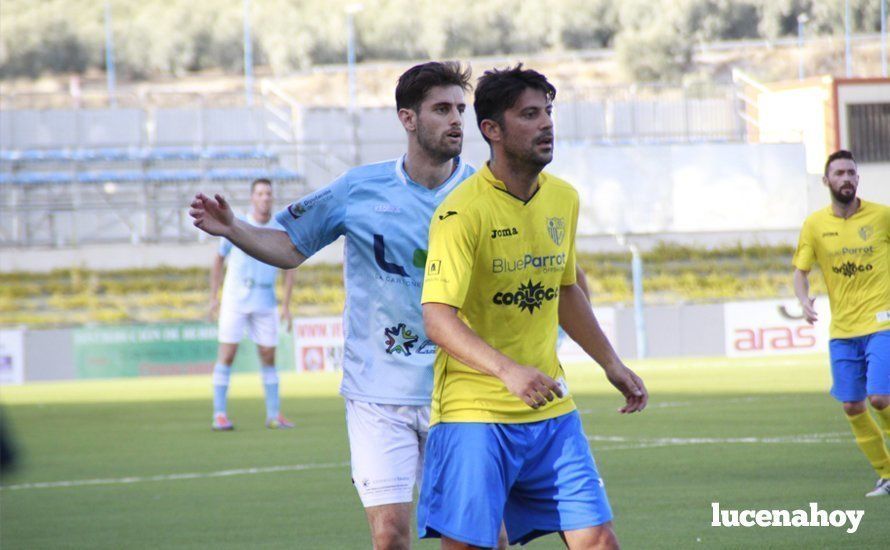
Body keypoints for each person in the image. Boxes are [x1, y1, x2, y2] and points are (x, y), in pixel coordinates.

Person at [191, 61, 475, 549]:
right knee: (390, 537)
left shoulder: (481, 193)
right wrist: (234, 228)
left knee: (477, 536)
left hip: (463, 391)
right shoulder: (358, 188)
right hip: (377, 391)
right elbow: (289, 245)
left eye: (461, 110)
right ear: (407, 119)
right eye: (442, 109)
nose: (455, 120)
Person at [418, 65, 648, 550]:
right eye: (529, 114)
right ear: (492, 130)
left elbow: (566, 291)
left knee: (599, 540)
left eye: (548, 112)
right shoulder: (461, 213)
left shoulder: (563, 198)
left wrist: (612, 363)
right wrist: (508, 371)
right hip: (473, 415)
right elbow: (437, 320)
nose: (546, 124)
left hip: (550, 408)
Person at [792, 149, 890, 498]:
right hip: (843, 331)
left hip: (883, 322)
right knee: (852, 405)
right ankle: (886, 473)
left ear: (858, 178)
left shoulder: (882, 217)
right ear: (826, 181)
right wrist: (803, 300)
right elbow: (800, 273)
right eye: (839, 173)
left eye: (851, 172)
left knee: (880, 397)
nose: (846, 178)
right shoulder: (815, 225)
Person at [208, 178, 295, 431]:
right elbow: (218, 259)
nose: (265, 198)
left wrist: (286, 304)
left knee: (268, 356)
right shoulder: (237, 225)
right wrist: (214, 296)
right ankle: (220, 414)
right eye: (260, 193)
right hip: (235, 299)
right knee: (227, 354)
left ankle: (274, 414)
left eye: (268, 193)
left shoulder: (279, 227)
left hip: (265, 300)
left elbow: (291, 265)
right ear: (252, 198)